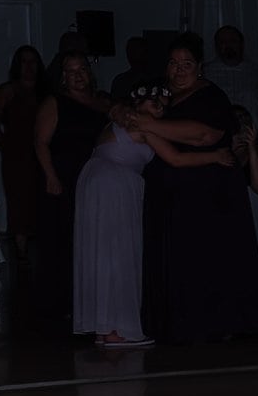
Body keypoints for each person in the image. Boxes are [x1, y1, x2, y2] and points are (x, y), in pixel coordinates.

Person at [121, 33, 258, 345]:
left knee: (206, 260)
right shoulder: (162, 96)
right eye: (173, 63)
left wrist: (143, 123)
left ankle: (214, 323)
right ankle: (173, 322)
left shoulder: (210, 96)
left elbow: (203, 136)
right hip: (171, 194)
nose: (179, 70)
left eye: (186, 64)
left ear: (199, 67)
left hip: (209, 197)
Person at [72, 85, 205, 349]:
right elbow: (176, 158)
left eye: (163, 106)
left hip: (99, 181)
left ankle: (105, 327)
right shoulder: (138, 124)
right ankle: (116, 330)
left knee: (103, 252)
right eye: (155, 102)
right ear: (140, 101)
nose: (160, 108)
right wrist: (215, 155)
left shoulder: (121, 118)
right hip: (114, 184)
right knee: (117, 254)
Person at [32, 52, 110, 324]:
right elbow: (40, 142)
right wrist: (51, 177)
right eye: (71, 70)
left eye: (82, 69)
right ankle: (60, 304)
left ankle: (92, 300)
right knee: (62, 243)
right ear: (63, 76)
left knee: (93, 242)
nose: (78, 75)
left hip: (95, 180)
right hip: (64, 179)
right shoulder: (55, 102)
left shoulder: (102, 103)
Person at [0, 45, 47, 263]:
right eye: (24, 61)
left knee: (43, 197)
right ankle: (21, 251)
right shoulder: (8, 91)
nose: (29, 67)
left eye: (33, 62)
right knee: (19, 201)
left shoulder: (45, 92)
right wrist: (5, 145)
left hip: (42, 154)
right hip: (18, 156)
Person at [204, 25, 258, 149]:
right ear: (216, 46)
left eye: (233, 41)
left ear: (242, 44)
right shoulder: (204, 74)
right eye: (223, 42)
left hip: (257, 147)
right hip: (217, 148)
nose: (228, 45)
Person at [108, 36, 154, 102]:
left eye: (136, 50)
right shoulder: (120, 81)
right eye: (130, 50)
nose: (132, 54)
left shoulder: (155, 80)